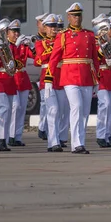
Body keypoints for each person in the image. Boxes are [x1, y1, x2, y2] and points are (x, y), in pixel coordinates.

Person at [46, 2, 99, 154]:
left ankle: (80, 142)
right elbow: (54, 58)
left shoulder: (89, 35)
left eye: (79, 15)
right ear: (68, 17)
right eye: (74, 16)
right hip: (69, 76)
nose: (77, 18)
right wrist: (49, 79)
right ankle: (76, 144)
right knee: (76, 107)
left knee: (85, 111)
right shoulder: (63, 36)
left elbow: (95, 59)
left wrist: (97, 79)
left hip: (86, 77)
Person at [0, 18, 20, 151]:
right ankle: (0, 139)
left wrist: (15, 63)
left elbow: (20, 61)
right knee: (4, 108)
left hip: (10, 79)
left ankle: (4, 139)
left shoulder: (12, 46)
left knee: (8, 112)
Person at [34, 14, 64, 152]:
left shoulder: (62, 40)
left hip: (62, 78)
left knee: (61, 111)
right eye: (51, 27)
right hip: (47, 78)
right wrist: (56, 48)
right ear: (44, 28)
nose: (54, 29)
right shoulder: (40, 43)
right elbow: (40, 58)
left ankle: (57, 138)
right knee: (53, 109)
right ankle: (53, 142)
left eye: (56, 27)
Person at [92, 14, 111, 148]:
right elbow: (93, 57)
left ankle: (107, 135)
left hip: (110, 75)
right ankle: (100, 135)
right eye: (102, 26)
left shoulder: (107, 41)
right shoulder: (94, 41)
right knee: (105, 105)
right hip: (100, 74)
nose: (105, 30)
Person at [8, 19, 34, 147]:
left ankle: (17, 136)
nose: (16, 34)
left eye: (18, 31)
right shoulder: (7, 45)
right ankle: (10, 135)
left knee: (22, 108)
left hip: (22, 78)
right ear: (8, 33)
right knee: (15, 107)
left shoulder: (22, 45)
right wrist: (16, 46)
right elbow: (10, 59)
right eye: (14, 31)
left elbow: (36, 58)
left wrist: (32, 46)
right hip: (12, 77)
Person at [55, 14, 70, 147]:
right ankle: (54, 137)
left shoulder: (65, 39)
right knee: (56, 110)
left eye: (60, 27)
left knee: (66, 109)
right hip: (54, 77)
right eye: (56, 27)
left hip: (65, 75)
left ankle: (62, 137)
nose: (58, 30)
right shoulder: (46, 42)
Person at [34, 12, 49, 140]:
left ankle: (45, 127)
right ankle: (43, 127)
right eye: (42, 23)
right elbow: (37, 59)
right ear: (38, 24)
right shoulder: (36, 39)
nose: (44, 26)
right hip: (42, 74)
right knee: (44, 102)